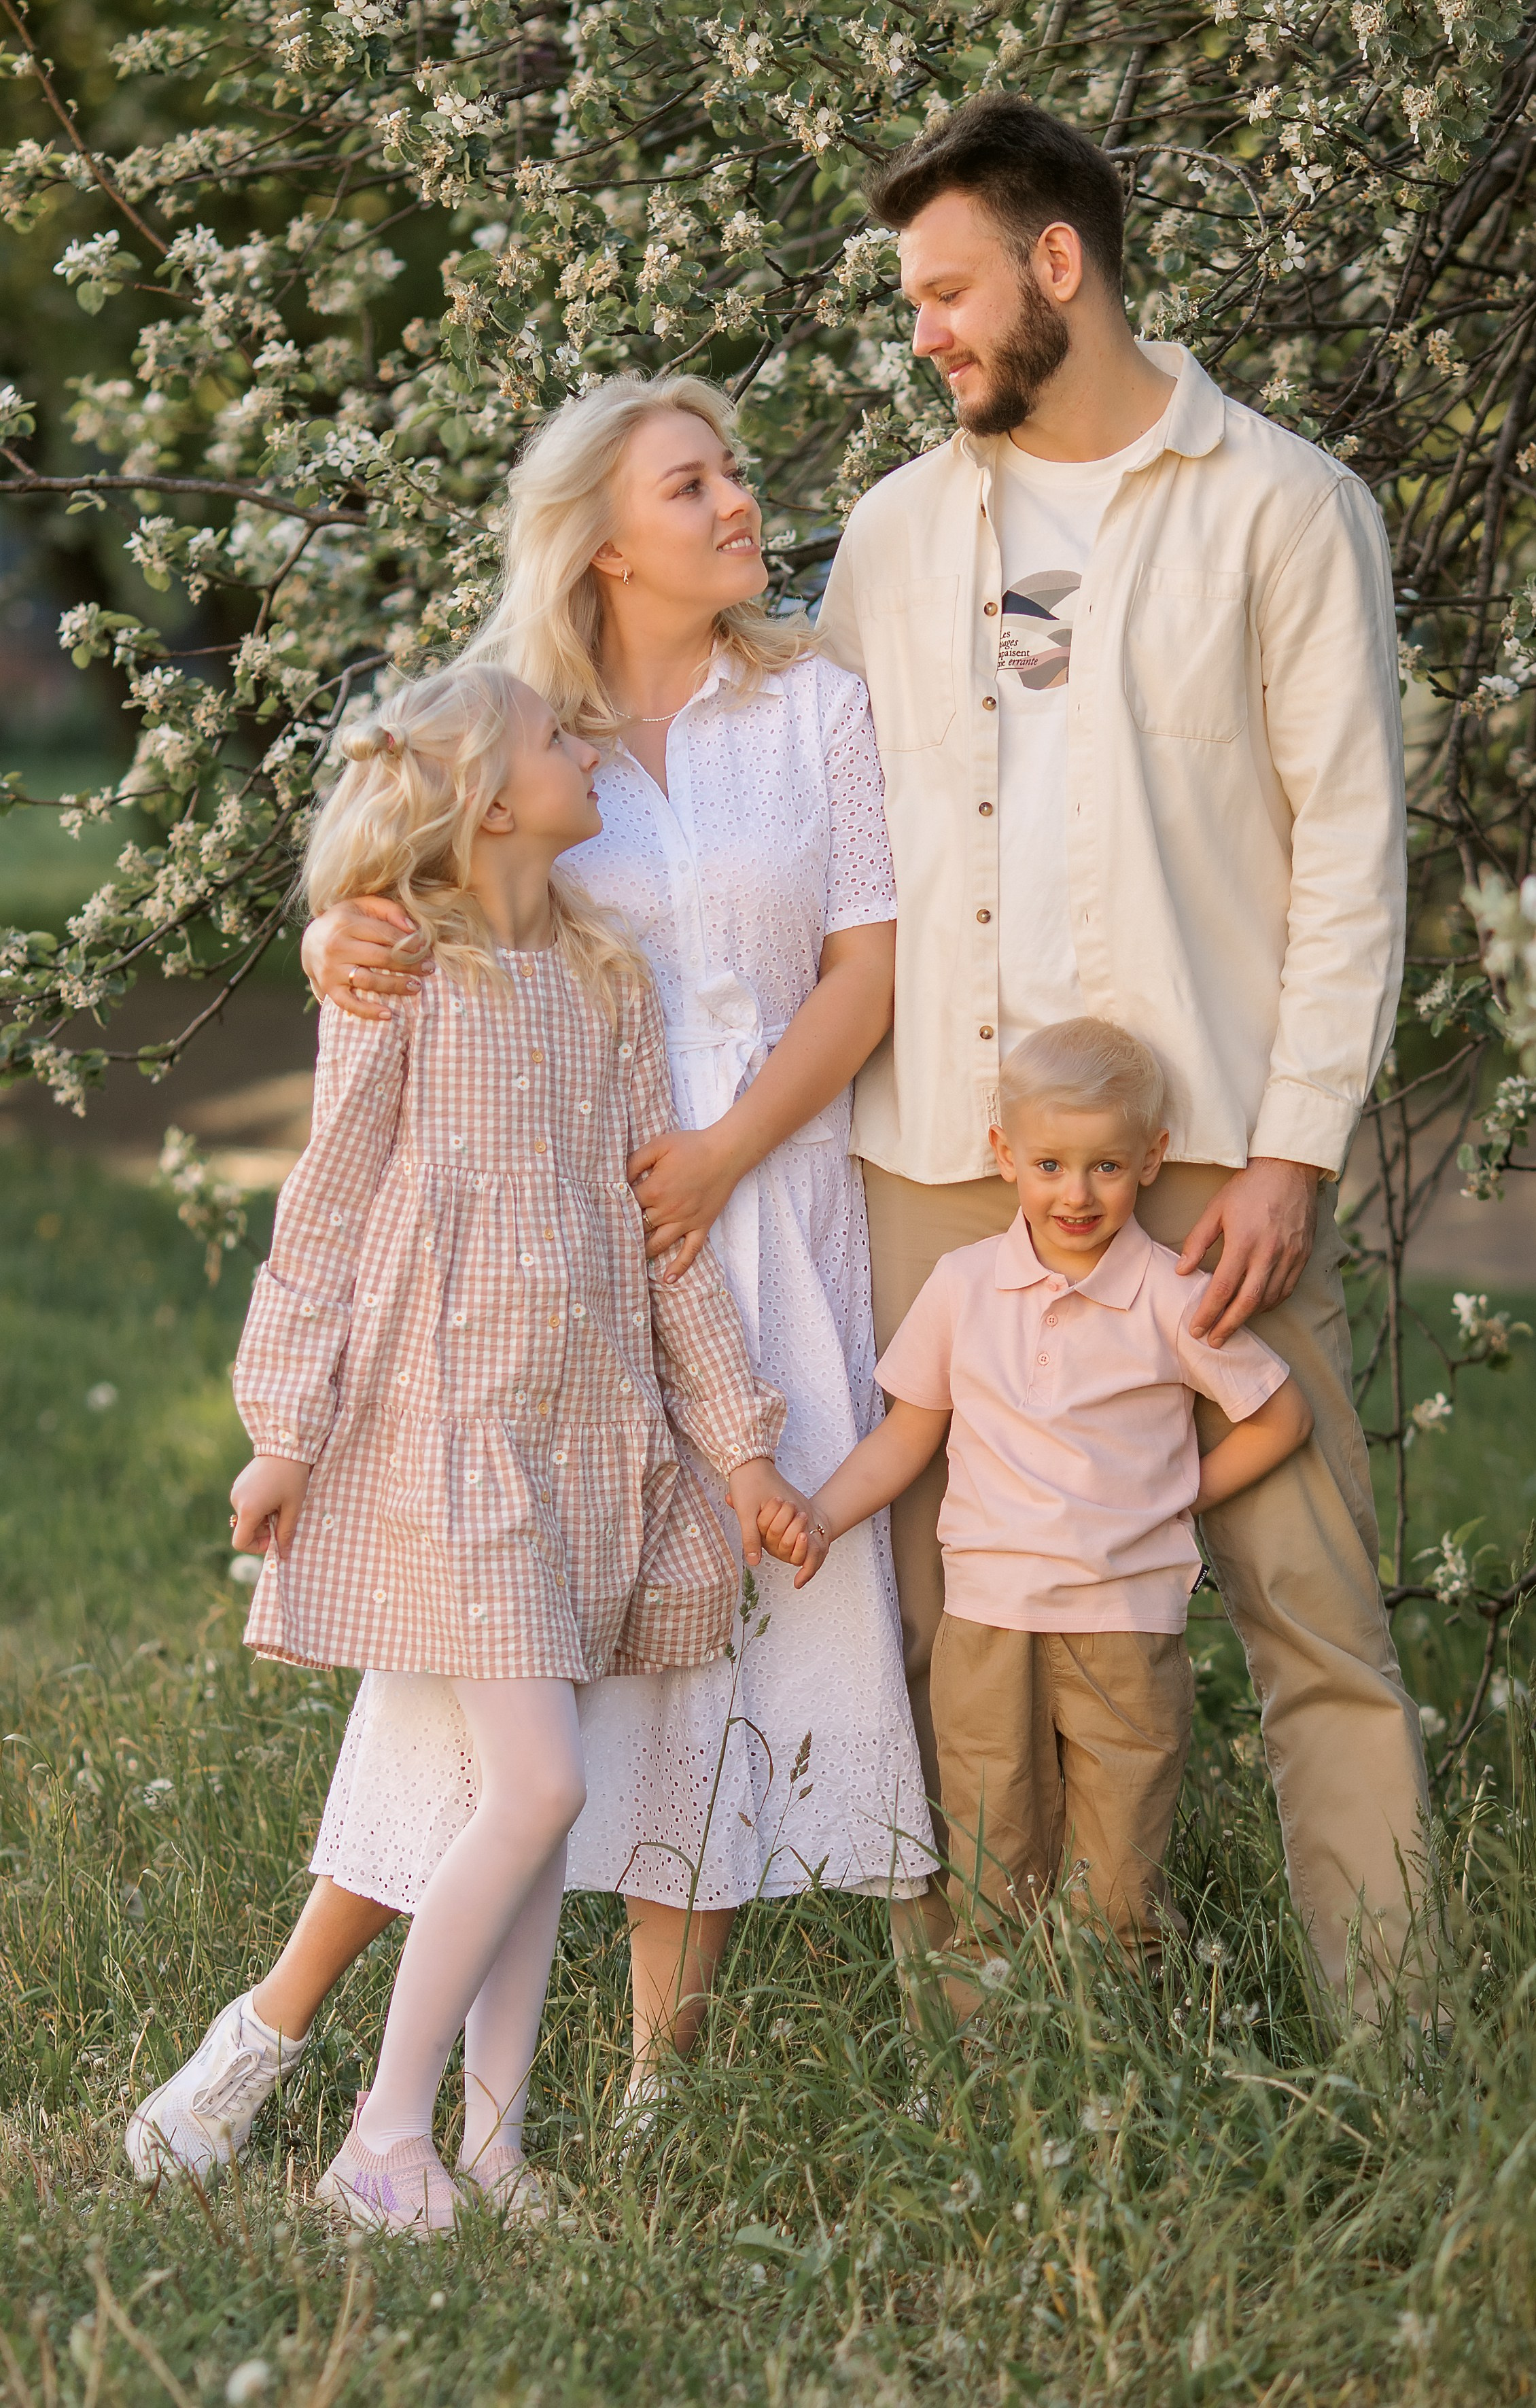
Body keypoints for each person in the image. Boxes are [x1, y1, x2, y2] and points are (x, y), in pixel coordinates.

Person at [126, 371, 936, 2187]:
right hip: (512, 1315)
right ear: (596, 533)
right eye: (693, 481)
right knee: (477, 1721)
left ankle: (627, 2091)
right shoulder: (515, 729)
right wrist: (341, 927)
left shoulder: (810, 708)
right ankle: (291, 2052)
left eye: (736, 471)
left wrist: (722, 1164)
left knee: (718, 1665)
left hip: (747, 1226)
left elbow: (863, 973)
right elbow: (402, 914)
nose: (742, 503)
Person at [810, 94, 1432, 2018]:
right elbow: (805, 826)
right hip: (941, 1157)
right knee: (946, 1617)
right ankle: (989, 2027)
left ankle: (1398, 2035)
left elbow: (1350, 847)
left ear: (1054, 265)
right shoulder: (902, 534)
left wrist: (1296, 1147)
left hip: (1210, 1163)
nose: (923, 333)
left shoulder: (1286, 507)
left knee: (1307, 1606)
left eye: (945, 291)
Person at [126, 659, 800, 2229]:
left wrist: (738, 1440)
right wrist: (283, 1430)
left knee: (531, 1803)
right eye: (560, 739)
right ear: (497, 799)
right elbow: (330, 1199)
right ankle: (383, 2137)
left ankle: (492, 2144)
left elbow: (658, 1238)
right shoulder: (401, 974)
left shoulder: (606, 976)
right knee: (543, 1787)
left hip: (582, 1447)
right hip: (449, 1448)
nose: (586, 750)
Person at [761, 1019, 1312, 2006]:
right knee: (990, 1853)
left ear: (1151, 1159)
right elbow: (904, 1436)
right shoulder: (963, 1287)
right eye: (1051, 1164)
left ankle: (1120, 2060)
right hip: (989, 1622)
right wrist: (819, 1512)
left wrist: (1175, 1496)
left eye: (1106, 1165)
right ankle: (995, 2074)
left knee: (1120, 1869)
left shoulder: (1168, 1293)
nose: (1077, 1193)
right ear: (1004, 1154)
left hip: (1124, 1625)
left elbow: (1278, 1416)